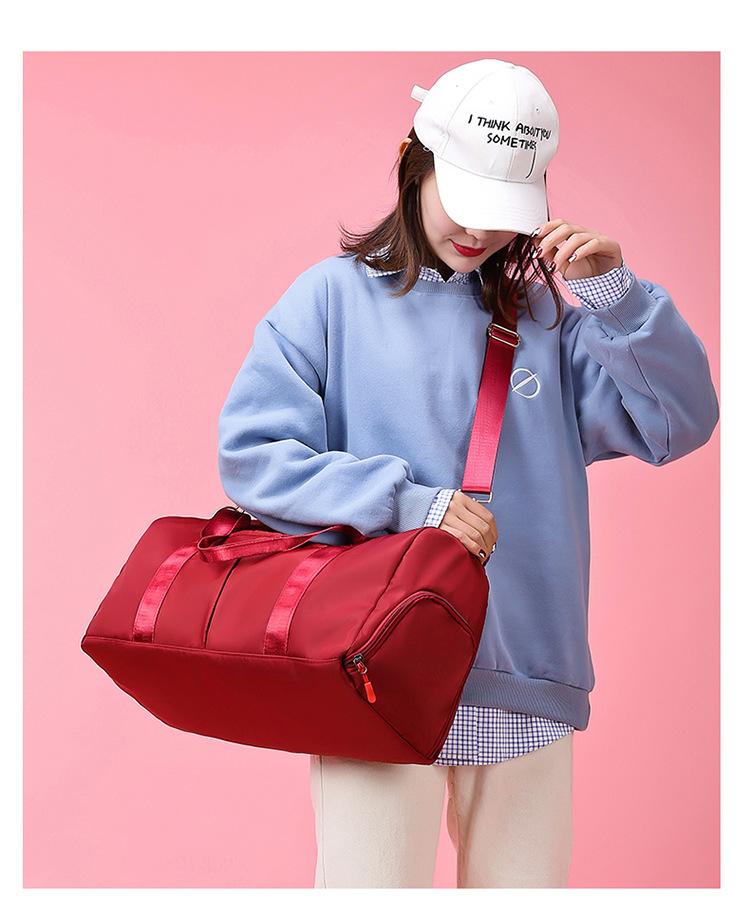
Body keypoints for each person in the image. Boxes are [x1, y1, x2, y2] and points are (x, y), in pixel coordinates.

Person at [217, 58, 719, 888]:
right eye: (466, 197)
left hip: (525, 680)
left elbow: (680, 423)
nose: (481, 230)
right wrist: (409, 503)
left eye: (503, 209)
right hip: (371, 672)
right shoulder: (329, 301)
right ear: (413, 161)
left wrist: (620, 300)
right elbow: (254, 454)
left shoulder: (553, 324)